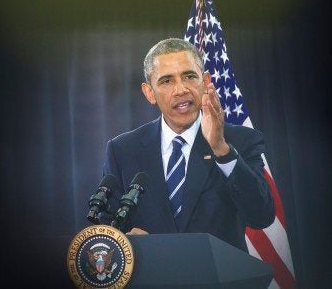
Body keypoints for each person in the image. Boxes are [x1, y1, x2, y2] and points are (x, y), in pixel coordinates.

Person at [102, 38, 274, 252]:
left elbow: (261, 216)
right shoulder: (123, 150)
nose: (181, 89)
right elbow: (108, 225)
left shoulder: (241, 140)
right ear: (149, 93)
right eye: (166, 81)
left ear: (205, 81)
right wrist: (127, 240)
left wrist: (221, 148)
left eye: (189, 76)